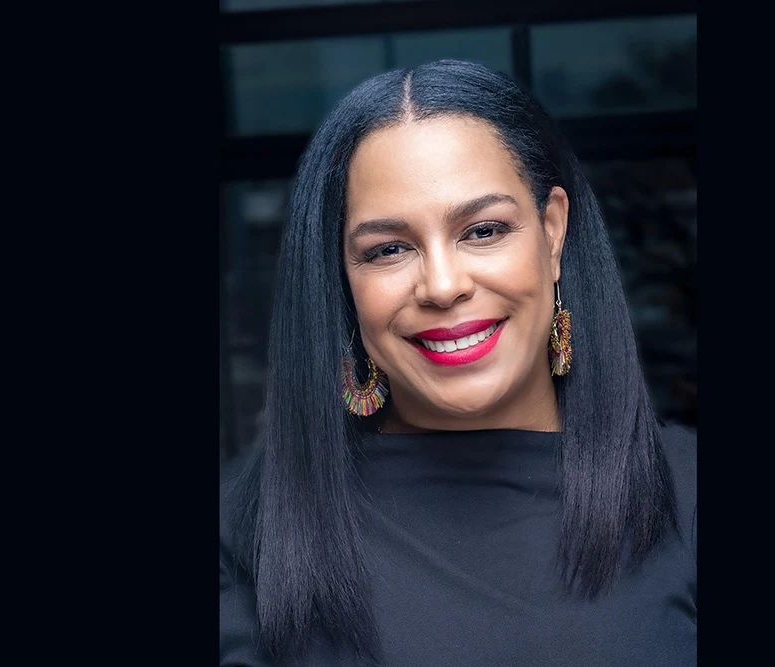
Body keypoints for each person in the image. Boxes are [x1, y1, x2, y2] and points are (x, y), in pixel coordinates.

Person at [220, 59, 696, 666]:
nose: (442, 286)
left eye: (483, 230)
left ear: (552, 232)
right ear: (341, 279)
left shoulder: (687, 498)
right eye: (389, 249)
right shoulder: (242, 532)